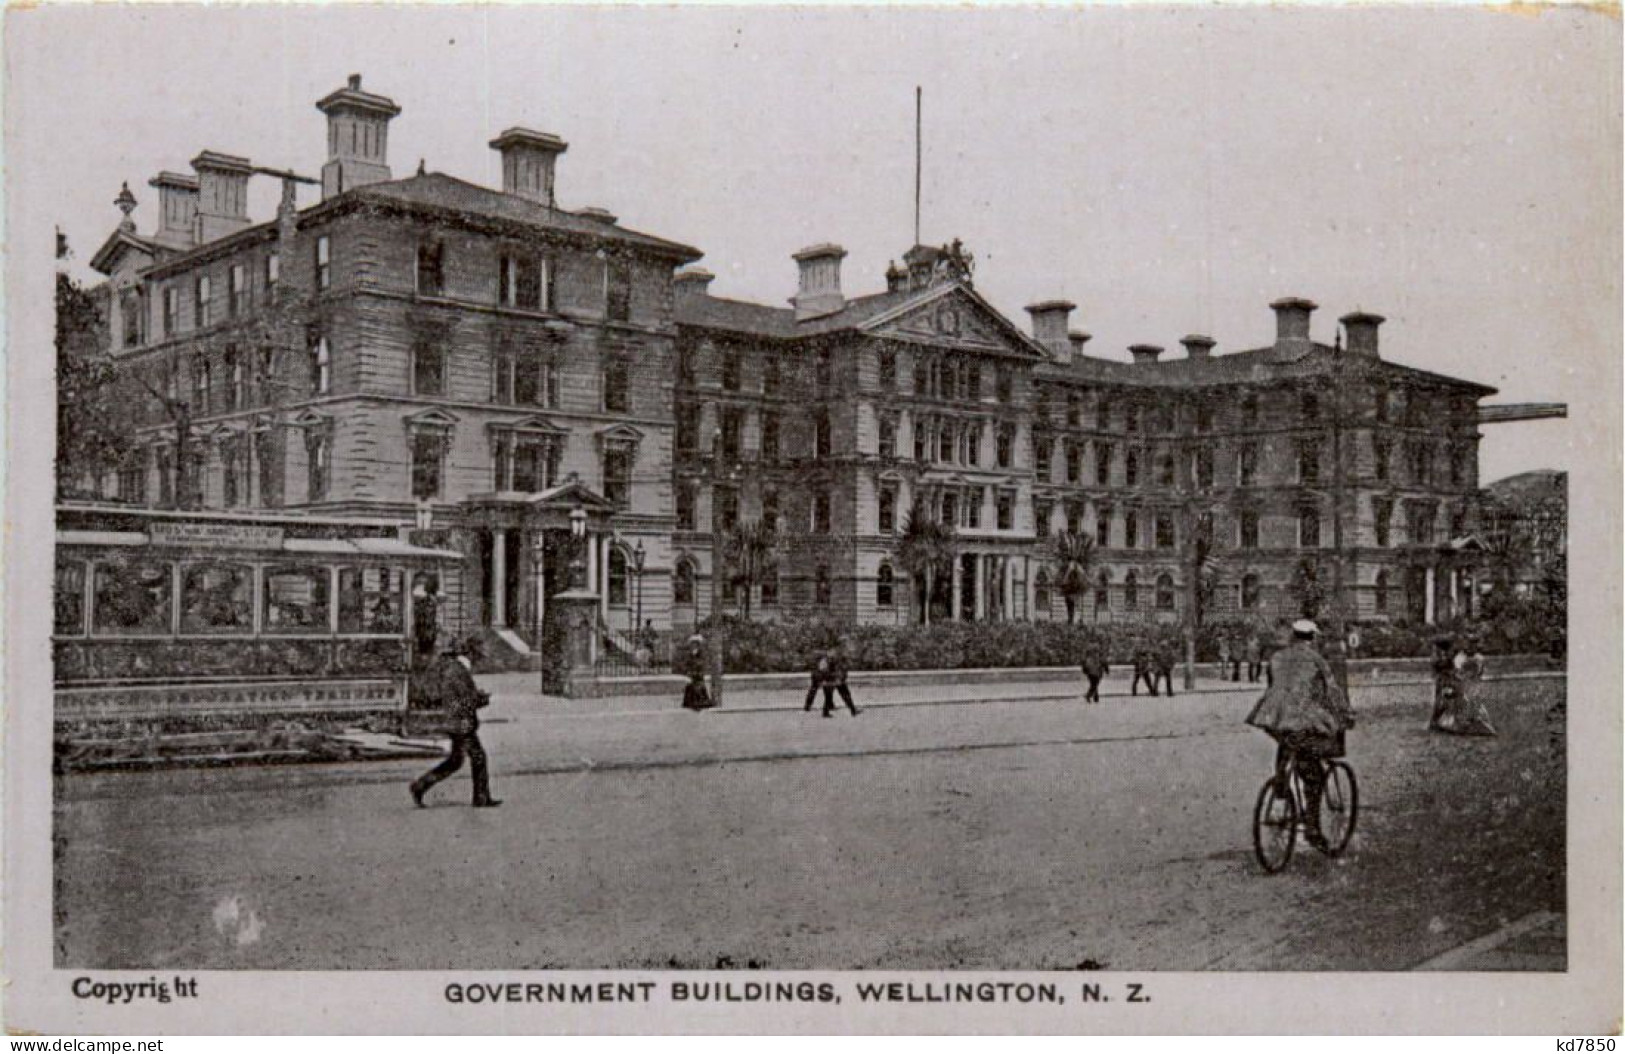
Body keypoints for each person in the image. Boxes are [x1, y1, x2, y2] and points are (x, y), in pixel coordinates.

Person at [1244, 620, 1355, 848]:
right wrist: (1346, 714)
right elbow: (1332, 692)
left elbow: (1273, 685)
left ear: (1294, 636)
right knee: (1313, 775)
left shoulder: (1277, 657)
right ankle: (1313, 830)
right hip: (1302, 718)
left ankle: (1281, 787)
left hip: (1273, 717)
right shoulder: (1316, 660)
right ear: (1312, 638)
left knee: (1286, 742)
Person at [409, 636, 501, 809]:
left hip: (456, 722)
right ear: (471, 654)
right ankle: (481, 798)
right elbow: (462, 701)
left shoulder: (454, 669)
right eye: (479, 656)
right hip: (461, 723)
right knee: (478, 757)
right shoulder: (458, 671)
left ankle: (420, 786)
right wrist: (481, 699)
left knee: (456, 761)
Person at [1436, 636, 1497, 736]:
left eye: (1474, 644)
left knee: (1476, 709)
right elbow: (1458, 675)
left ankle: (1474, 723)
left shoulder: (1479, 658)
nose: (1471, 646)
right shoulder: (1459, 658)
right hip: (1463, 689)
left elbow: (1479, 673)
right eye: (1469, 643)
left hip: (1473, 688)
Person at [820, 639, 860, 718]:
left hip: (831, 679)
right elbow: (839, 667)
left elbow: (824, 669)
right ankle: (853, 710)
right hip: (835, 679)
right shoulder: (835, 656)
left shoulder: (828, 657)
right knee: (843, 695)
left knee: (831, 696)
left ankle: (826, 712)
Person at [411, 576, 441, 670]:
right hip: (426, 632)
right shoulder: (430, 601)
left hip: (425, 632)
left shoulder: (426, 602)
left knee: (425, 652)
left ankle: (425, 667)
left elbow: (423, 617)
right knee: (425, 651)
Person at [681, 633, 714, 711]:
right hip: (692, 673)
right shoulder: (690, 653)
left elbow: (702, 662)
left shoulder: (701, 653)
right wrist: (688, 671)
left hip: (698, 673)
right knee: (691, 686)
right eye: (693, 643)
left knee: (699, 686)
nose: (694, 645)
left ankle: (700, 702)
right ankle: (690, 703)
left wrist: (699, 668)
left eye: (696, 644)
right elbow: (687, 663)